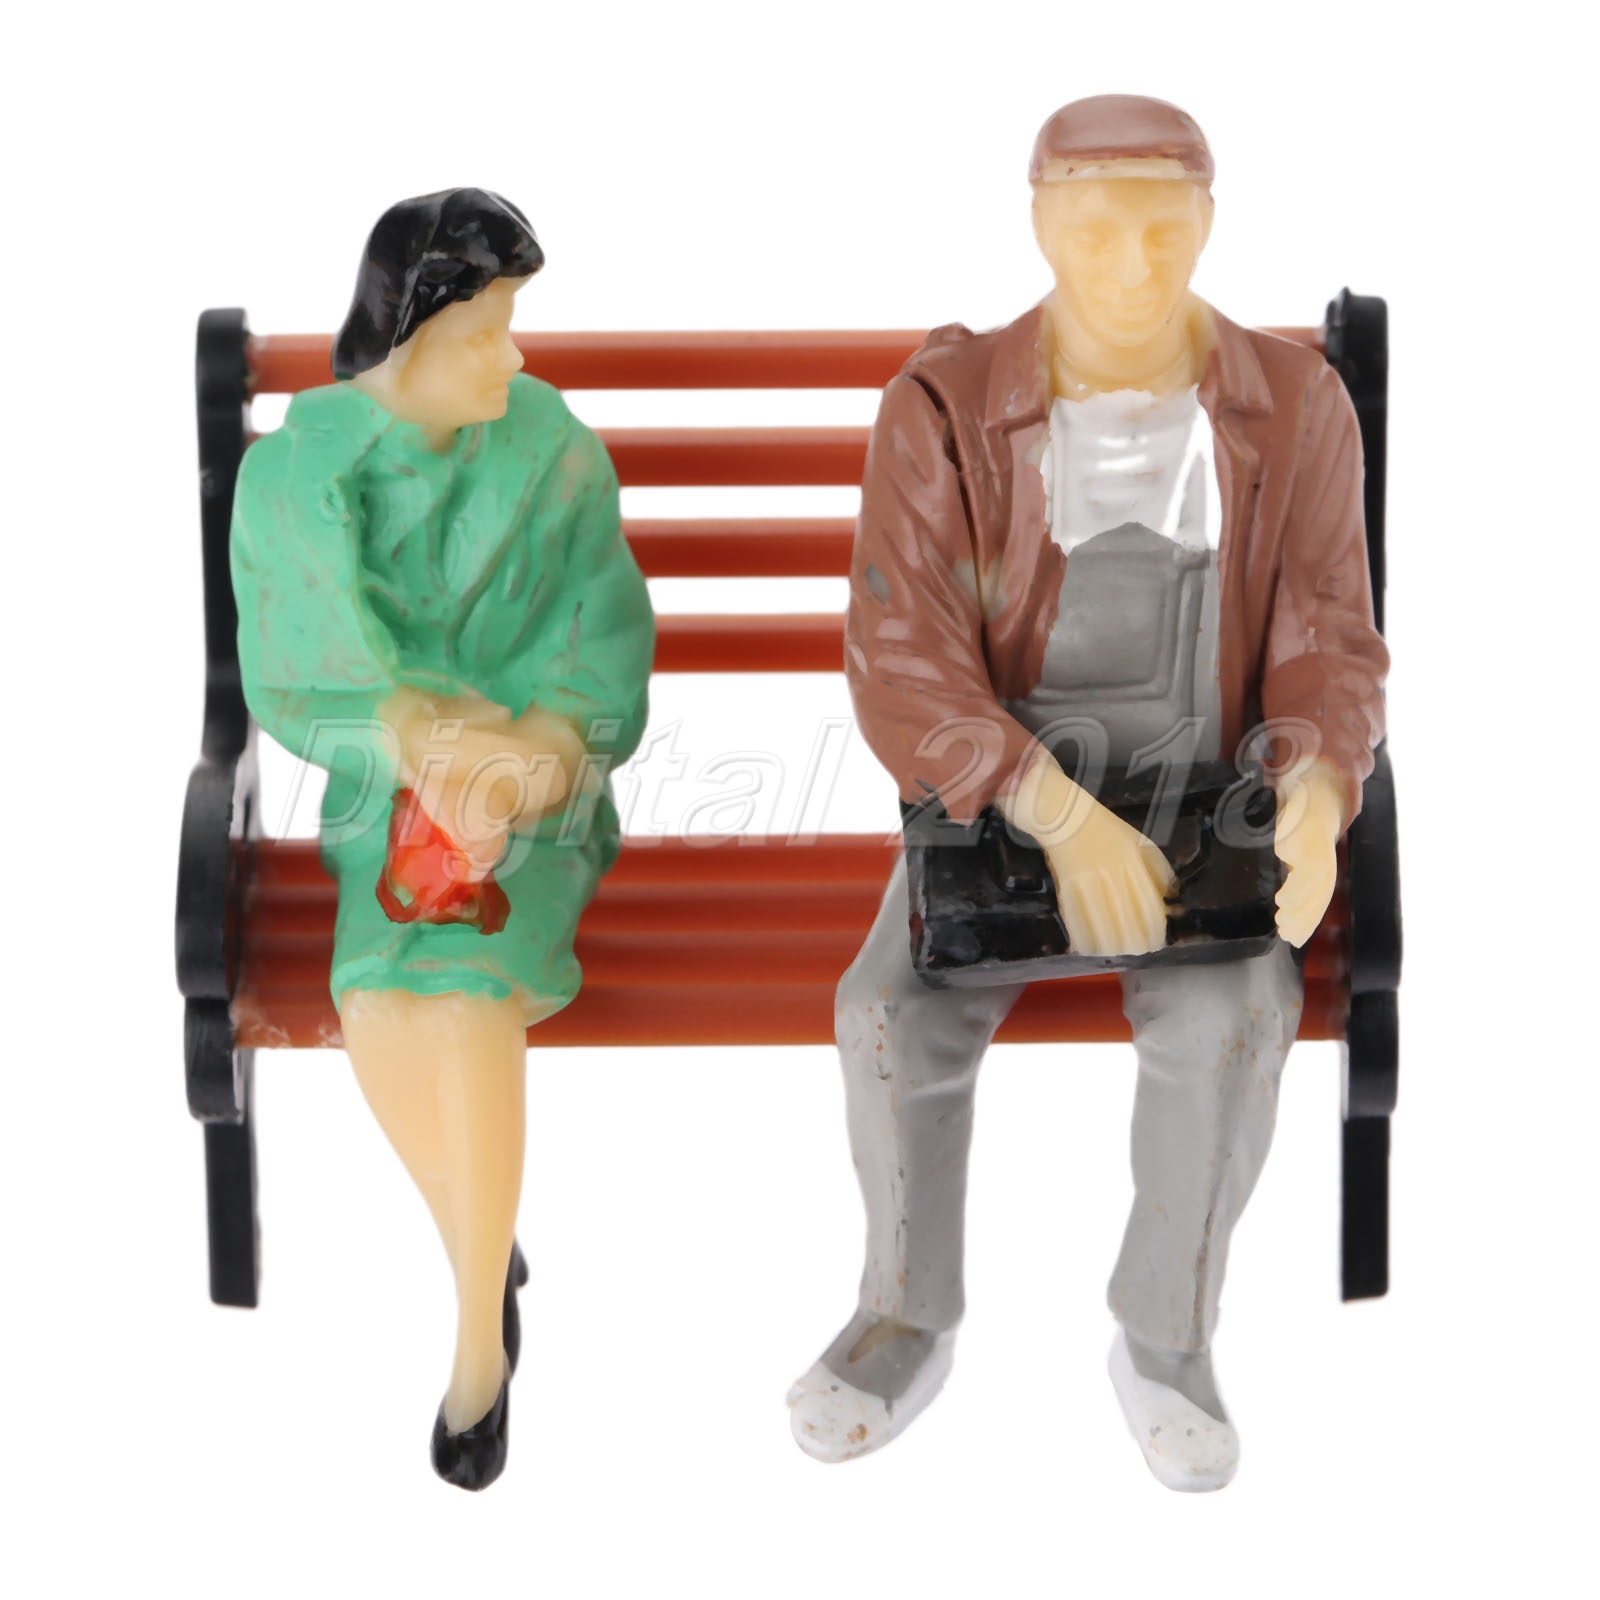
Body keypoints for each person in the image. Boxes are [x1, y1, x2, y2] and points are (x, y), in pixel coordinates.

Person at [787, 97, 1388, 1490]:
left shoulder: (1297, 406)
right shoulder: (945, 406)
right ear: (1041, 223)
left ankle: (1168, 1336)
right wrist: (1054, 814)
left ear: (1210, 222)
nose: (1131, 262)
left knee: (1235, 1018)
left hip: (1208, 798)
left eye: (1164, 228)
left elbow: (1326, 633)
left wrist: (1312, 791)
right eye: (1096, 227)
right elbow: (904, 655)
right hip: (1004, 803)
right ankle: (904, 1311)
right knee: (889, 1012)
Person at [231, 189, 654, 1489]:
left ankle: (477, 1340)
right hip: (389, 797)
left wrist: (538, 756)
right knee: (376, 998)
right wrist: (409, 738)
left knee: (461, 993)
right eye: (481, 334)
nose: (509, 357)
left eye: (509, 325)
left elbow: (604, 634)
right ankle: (484, 1229)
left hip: (537, 794)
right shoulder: (298, 476)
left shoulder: (553, 451)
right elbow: (292, 671)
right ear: (403, 337)